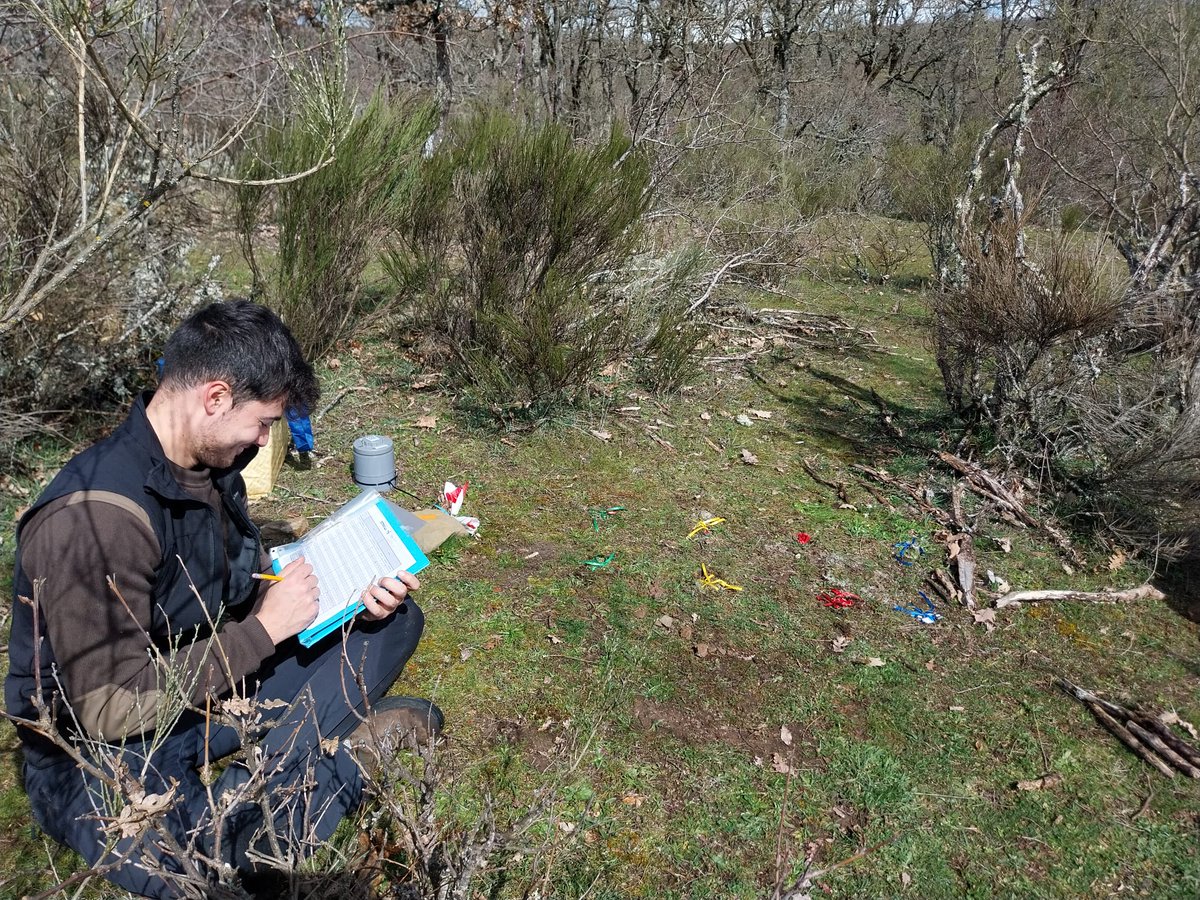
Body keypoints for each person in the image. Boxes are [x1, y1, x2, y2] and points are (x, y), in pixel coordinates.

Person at [5, 300, 442, 898]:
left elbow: (239, 580)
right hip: (98, 748)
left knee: (390, 624)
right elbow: (109, 708)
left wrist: (337, 595)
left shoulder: (211, 458)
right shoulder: (96, 521)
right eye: (263, 423)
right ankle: (335, 765)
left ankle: (274, 777)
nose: (265, 441)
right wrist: (263, 633)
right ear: (214, 397)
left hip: (208, 686)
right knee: (200, 874)